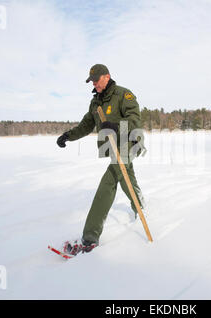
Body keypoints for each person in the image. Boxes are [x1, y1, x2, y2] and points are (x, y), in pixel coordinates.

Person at [56, 64, 145, 254]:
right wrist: (68, 136)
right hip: (113, 145)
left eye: (97, 80)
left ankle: (90, 238)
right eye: (92, 81)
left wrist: (115, 124)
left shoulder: (123, 95)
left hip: (129, 141)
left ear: (107, 77)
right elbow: (86, 125)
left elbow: (135, 120)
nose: (94, 83)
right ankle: (141, 206)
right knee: (126, 176)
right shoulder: (95, 103)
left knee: (110, 179)